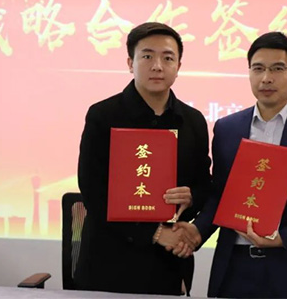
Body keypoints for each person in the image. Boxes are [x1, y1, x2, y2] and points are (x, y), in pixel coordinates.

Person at [174, 32, 287, 298]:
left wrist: (284, 237)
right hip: (235, 267)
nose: (266, 78)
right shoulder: (227, 129)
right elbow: (221, 194)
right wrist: (199, 230)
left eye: (277, 69)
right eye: (258, 68)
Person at [74, 22, 212, 295]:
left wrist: (191, 197)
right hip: (109, 261)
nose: (157, 66)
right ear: (130, 63)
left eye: (168, 58)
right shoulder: (103, 116)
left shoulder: (193, 121)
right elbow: (92, 190)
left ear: (178, 66)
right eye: (147, 56)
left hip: (169, 260)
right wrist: (154, 233)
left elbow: (204, 183)